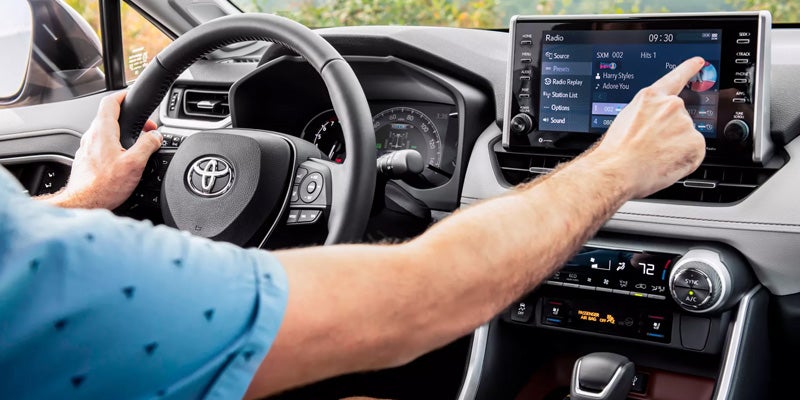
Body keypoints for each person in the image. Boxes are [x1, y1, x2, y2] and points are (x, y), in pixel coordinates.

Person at [0, 57, 707, 399]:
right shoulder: (62, 287)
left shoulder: (38, 263)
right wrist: (616, 165)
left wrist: (85, 198)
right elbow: (417, 300)